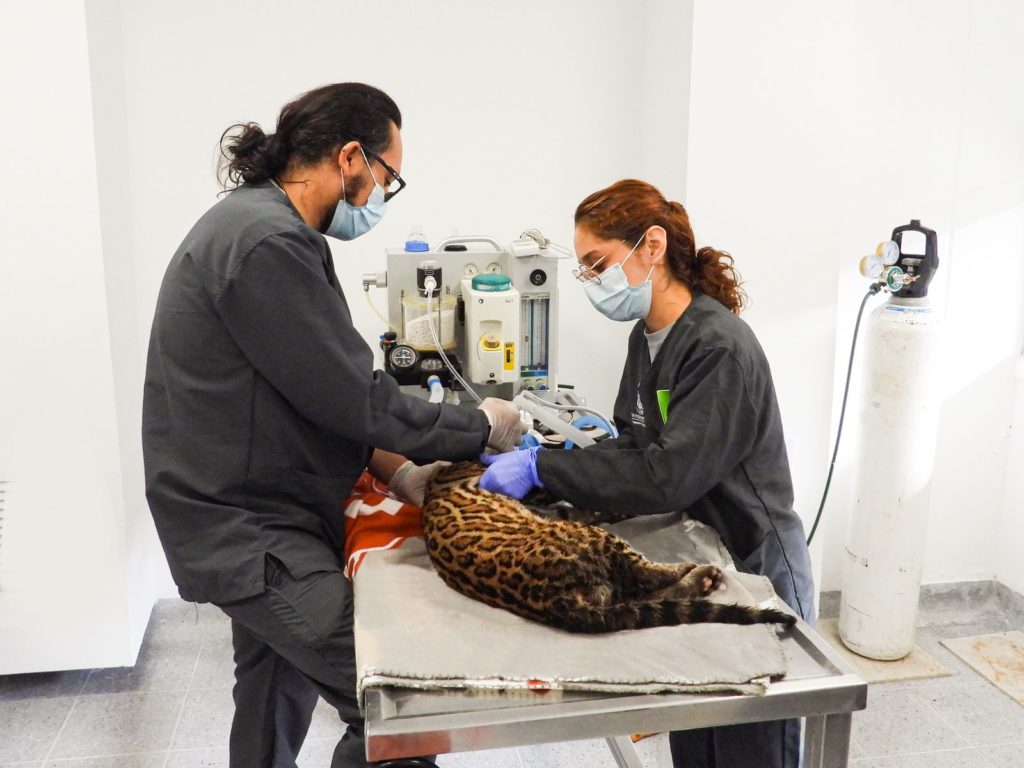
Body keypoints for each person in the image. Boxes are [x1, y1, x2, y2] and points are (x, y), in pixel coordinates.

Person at [141, 83, 522, 768]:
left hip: (242, 512)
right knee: (398, 711)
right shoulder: (265, 244)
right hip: (251, 533)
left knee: (270, 690)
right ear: (351, 157)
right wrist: (478, 427)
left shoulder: (256, 226)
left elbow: (307, 390)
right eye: (387, 178)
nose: (382, 195)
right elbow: (356, 397)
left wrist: (394, 467)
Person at [480, 179, 814, 768]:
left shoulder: (719, 349)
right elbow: (632, 442)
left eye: (595, 264)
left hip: (752, 562)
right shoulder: (649, 337)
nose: (589, 283)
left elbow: (666, 477)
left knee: (749, 746)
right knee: (696, 727)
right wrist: (556, 455)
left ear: (651, 246)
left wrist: (544, 468)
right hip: (698, 556)